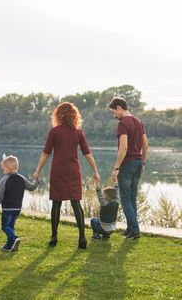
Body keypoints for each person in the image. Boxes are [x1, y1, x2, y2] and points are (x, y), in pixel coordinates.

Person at [33, 102, 100, 249]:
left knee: (56, 203)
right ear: (74, 116)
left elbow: (46, 153)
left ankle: (54, 237)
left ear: (58, 115)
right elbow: (87, 154)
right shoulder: (78, 133)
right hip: (73, 172)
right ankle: (82, 238)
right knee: (76, 203)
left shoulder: (55, 131)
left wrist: (38, 170)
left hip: (58, 171)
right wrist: (95, 171)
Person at [108, 97, 148, 239]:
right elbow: (145, 145)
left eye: (114, 112)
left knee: (125, 199)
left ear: (119, 108)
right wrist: (143, 163)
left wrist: (116, 168)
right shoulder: (139, 122)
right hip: (137, 164)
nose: (114, 115)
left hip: (127, 165)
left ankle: (135, 230)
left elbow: (123, 147)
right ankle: (130, 229)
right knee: (132, 198)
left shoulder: (123, 124)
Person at [0, 154, 39, 252]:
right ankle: (10, 245)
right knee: (11, 226)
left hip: (7, 209)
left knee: (5, 226)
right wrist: (36, 182)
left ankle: (14, 239)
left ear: (9, 168)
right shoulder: (21, 178)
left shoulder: (5, 179)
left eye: (3, 169)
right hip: (17, 209)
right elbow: (31, 187)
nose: (3, 171)